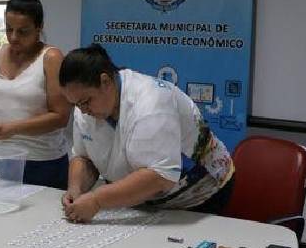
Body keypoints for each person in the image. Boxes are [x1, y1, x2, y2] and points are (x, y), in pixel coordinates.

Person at [58, 43, 234, 222]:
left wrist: (97, 200)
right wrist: (76, 188)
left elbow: (160, 177)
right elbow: (84, 157)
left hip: (197, 195)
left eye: (86, 101)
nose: (82, 110)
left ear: (105, 82)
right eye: (76, 104)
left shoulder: (152, 102)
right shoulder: (86, 107)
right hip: (140, 201)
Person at [0, 0, 71, 189]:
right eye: (8, 29)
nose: (14, 37)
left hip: (40, 163)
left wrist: (14, 128)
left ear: (39, 28)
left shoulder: (51, 58)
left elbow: (61, 116)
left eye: (23, 32)